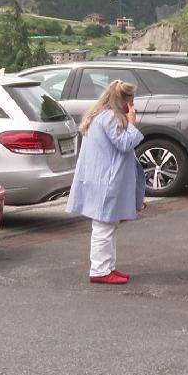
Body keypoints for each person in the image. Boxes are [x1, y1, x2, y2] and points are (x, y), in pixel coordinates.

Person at [66, 80, 145, 285]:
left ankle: (107, 266)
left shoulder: (99, 116)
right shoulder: (110, 118)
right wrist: (132, 122)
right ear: (124, 101)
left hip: (101, 179)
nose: (133, 104)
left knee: (107, 225)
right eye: (131, 100)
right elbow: (125, 144)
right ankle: (100, 269)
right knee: (103, 226)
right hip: (106, 181)